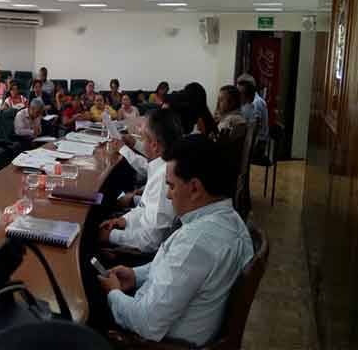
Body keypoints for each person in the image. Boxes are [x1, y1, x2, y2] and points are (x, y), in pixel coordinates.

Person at [98, 135, 253, 346]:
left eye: (171, 186)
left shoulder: (195, 243)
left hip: (158, 342)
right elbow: (174, 271)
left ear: (195, 188)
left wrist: (113, 293)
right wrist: (135, 275)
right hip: (170, 320)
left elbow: (146, 323)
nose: (169, 196)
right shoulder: (231, 220)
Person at [99, 109, 181, 252]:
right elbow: (145, 209)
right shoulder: (162, 166)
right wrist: (125, 221)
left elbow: (150, 241)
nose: (139, 142)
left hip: (141, 253)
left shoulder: (164, 179)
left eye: (142, 138)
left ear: (154, 145)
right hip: (139, 232)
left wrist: (111, 236)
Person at [236, 77, 269, 144]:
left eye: (240, 93)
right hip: (249, 138)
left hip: (258, 142)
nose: (238, 96)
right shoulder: (246, 103)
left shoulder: (256, 103)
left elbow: (254, 129)